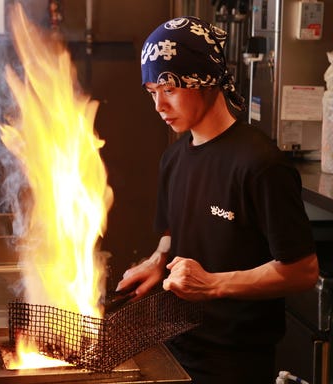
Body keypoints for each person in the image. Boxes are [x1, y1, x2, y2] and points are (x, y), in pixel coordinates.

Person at [115, 16, 319, 384]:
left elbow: (302, 270)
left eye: (169, 89)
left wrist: (213, 284)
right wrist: (158, 259)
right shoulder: (174, 158)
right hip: (173, 347)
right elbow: (175, 228)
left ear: (205, 79)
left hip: (234, 363)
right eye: (151, 92)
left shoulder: (260, 164)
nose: (158, 105)